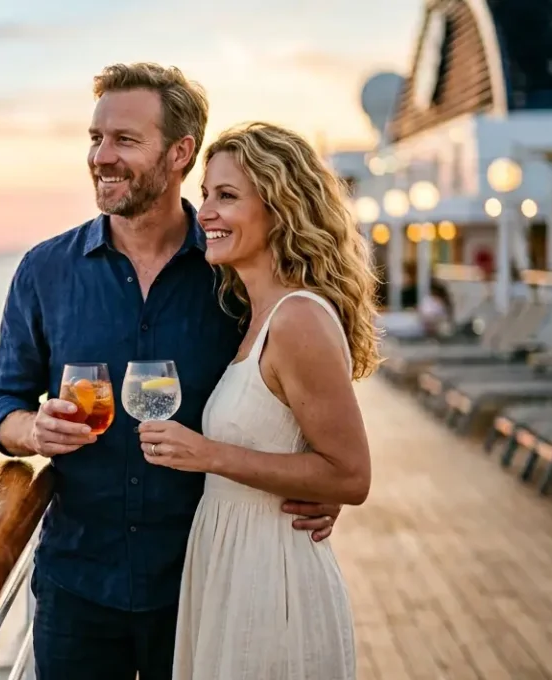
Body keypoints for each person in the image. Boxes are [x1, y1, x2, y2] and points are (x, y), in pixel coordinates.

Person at [0, 63, 344, 680]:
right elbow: (1, 403)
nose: (102, 157)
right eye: (95, 139)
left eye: (125, 140)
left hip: (204, 582)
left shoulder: (235, 267)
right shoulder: (45, 271)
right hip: (78, 585)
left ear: (180, 152)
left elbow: (292, 390)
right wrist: (31, 431)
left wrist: (319, 484)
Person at [138, 122, 378, 678]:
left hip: (274, 576)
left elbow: (351, 475)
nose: (205, 213)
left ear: (280, 207)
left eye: (226, 196)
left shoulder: (297, 319)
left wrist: (208, 455)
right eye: (204, 196)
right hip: (232, 566)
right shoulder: (256, 317)